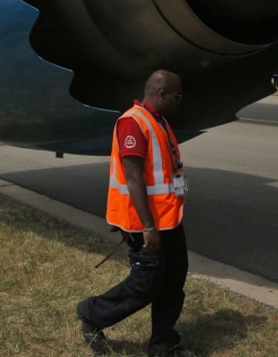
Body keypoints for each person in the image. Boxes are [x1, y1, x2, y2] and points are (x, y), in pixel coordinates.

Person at [76, 70, 195, 357]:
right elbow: (133, 179)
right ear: (162, 94)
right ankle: (92, 314)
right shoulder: (133, 123)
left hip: (169, 219)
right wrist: (148, 227)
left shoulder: (159, 120)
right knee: (145, 286)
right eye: (177, 96)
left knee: (172, 281)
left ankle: (163, 346)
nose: (180, 102)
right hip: (145, 224)